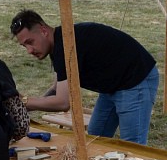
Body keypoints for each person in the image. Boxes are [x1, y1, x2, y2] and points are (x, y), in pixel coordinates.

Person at [10, 9, 159, 145]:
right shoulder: (58, 45)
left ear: (43, 31)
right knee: (95, 138)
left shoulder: (66, 45)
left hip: (135, 79)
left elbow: (63, 103)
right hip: (112, 85)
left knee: (133, 147)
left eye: (30, 42)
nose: (29, 50)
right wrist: (23, 107)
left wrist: (26, 102)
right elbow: (57, 89)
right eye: (24, 46)